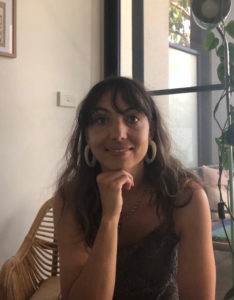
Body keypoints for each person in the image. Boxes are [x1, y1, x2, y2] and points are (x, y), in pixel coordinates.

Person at [53, 76, 216, 300]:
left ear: (151, 131)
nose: (118, 134)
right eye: (101, 120)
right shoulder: (70, 197)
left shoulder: (185, 197)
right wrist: (109, 218)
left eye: (132, 118)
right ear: (87, 135)